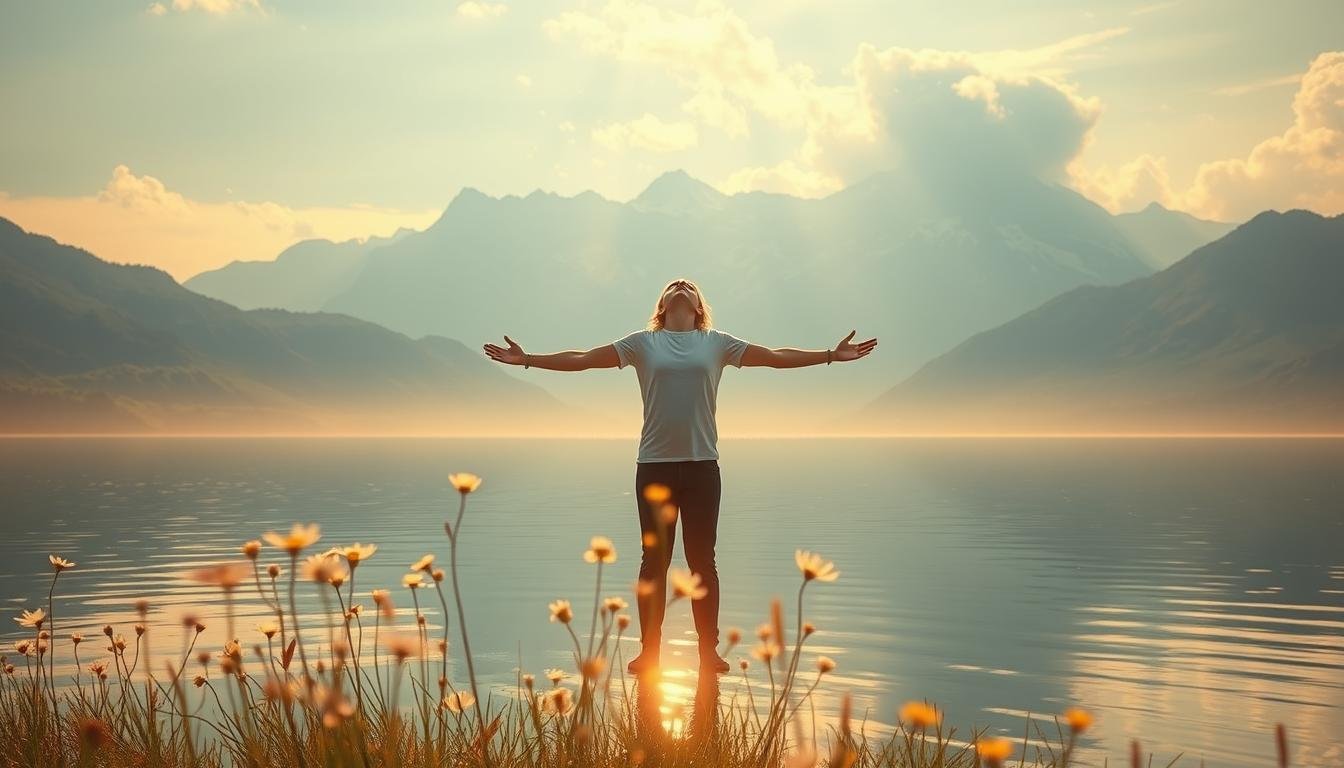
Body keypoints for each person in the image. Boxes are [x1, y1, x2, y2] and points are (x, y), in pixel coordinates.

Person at [482, 278, 877, 674]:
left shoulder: (717, 343)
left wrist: (830, 355)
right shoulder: (642, 344)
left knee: (702, 562)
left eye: (689, 285)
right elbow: (584, 358)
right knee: (654, 562)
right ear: (663, 304)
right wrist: (528, 359)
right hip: (653, 467)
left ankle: (709, 651)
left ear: (699, 306)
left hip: (703, 467)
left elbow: (774, 357)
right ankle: (649, 651)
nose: (682, 285)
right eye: (674, 285)